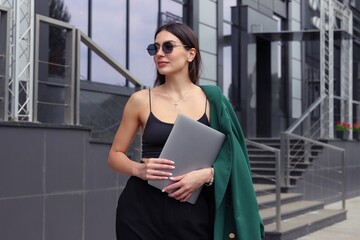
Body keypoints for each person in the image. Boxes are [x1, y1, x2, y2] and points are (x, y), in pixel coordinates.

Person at [108, 22, 264, 240]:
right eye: (155, 48)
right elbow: (115, 155)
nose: (159, 54)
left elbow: (236, 159)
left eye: (168, 47)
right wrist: (138, 170)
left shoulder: (214, 100)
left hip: (193, 210)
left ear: (191, 54)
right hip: (140, 209)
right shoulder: (141, 100)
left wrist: (208, 175)